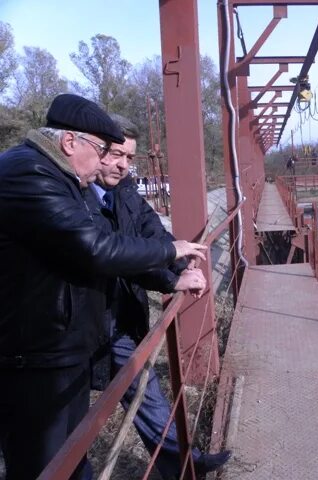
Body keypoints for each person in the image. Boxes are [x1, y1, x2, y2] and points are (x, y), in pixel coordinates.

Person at [0, 94, 207, 480]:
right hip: (33, 353)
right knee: (44, 464)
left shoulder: (58, 174)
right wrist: (169, 251)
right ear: (69, 143)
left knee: (70, 457)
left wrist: (171, 266)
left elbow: (129, 234)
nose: (106, 165)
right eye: (102, 152)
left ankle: (181, 460)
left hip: (59, 345)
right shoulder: (31, 174)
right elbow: (96, 247)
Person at [87, 113, 230, 478]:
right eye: (115, 154)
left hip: (116, 317)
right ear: (95, 149)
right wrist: (171, 281)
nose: (122, 165)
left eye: (130, 158)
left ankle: (182, 464)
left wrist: (181, 264)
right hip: (82, 323)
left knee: (143, 388)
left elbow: (149, 229)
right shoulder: (77, 196)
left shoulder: (123, 188)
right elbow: (118, 254)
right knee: (67, 427)